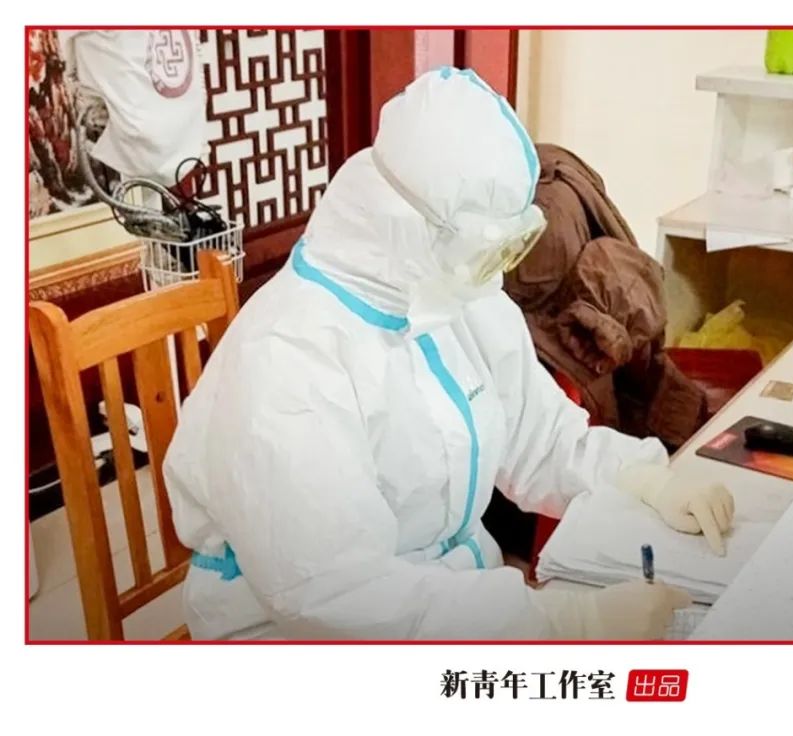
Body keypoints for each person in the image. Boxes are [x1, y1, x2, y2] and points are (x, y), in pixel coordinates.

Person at [163, 67, 735, 640]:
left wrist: (645, 479)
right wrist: (571, 624)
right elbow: (339, 595)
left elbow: (541, 440)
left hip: (444, 599)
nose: (498, 272)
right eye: (488, 249)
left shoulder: (451, 295)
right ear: (411, 227)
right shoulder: (285, 362)